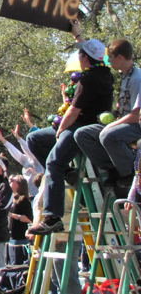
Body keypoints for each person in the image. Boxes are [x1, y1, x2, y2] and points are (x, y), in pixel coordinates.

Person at [28, 27, 114, 236]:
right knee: (34, 138)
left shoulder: (87, 80)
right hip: (80, 124)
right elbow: (92, 51)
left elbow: (73, 112)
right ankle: (69, 174)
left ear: (85, 58)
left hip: (80, 128)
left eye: (80, 53)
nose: (78, 56)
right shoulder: (105, 73)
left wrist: (60, 130)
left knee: (53, 163)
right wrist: (77, 34)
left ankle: (52, 218)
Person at [75, 38, 141, 191]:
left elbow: (135, 116)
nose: (108, 61)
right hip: (123, 122)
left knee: (107, 135)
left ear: (120, 57)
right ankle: (113, 168)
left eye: (110, 57)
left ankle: (130, 171)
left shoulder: (137, 79)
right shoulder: (124, 75)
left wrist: (111, 125)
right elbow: (123, 107)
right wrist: (111, 114)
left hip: (136, 126)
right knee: (82, 134)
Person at [7, 175, 33, 265]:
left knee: (18, 264)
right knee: (11, 263)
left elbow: (29, 219)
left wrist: (12, 215)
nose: (10, 182)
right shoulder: (11, 198)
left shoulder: (23, 199)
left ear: (19, 184)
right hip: (11, 237)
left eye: (13, 181)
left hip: (20, 238)